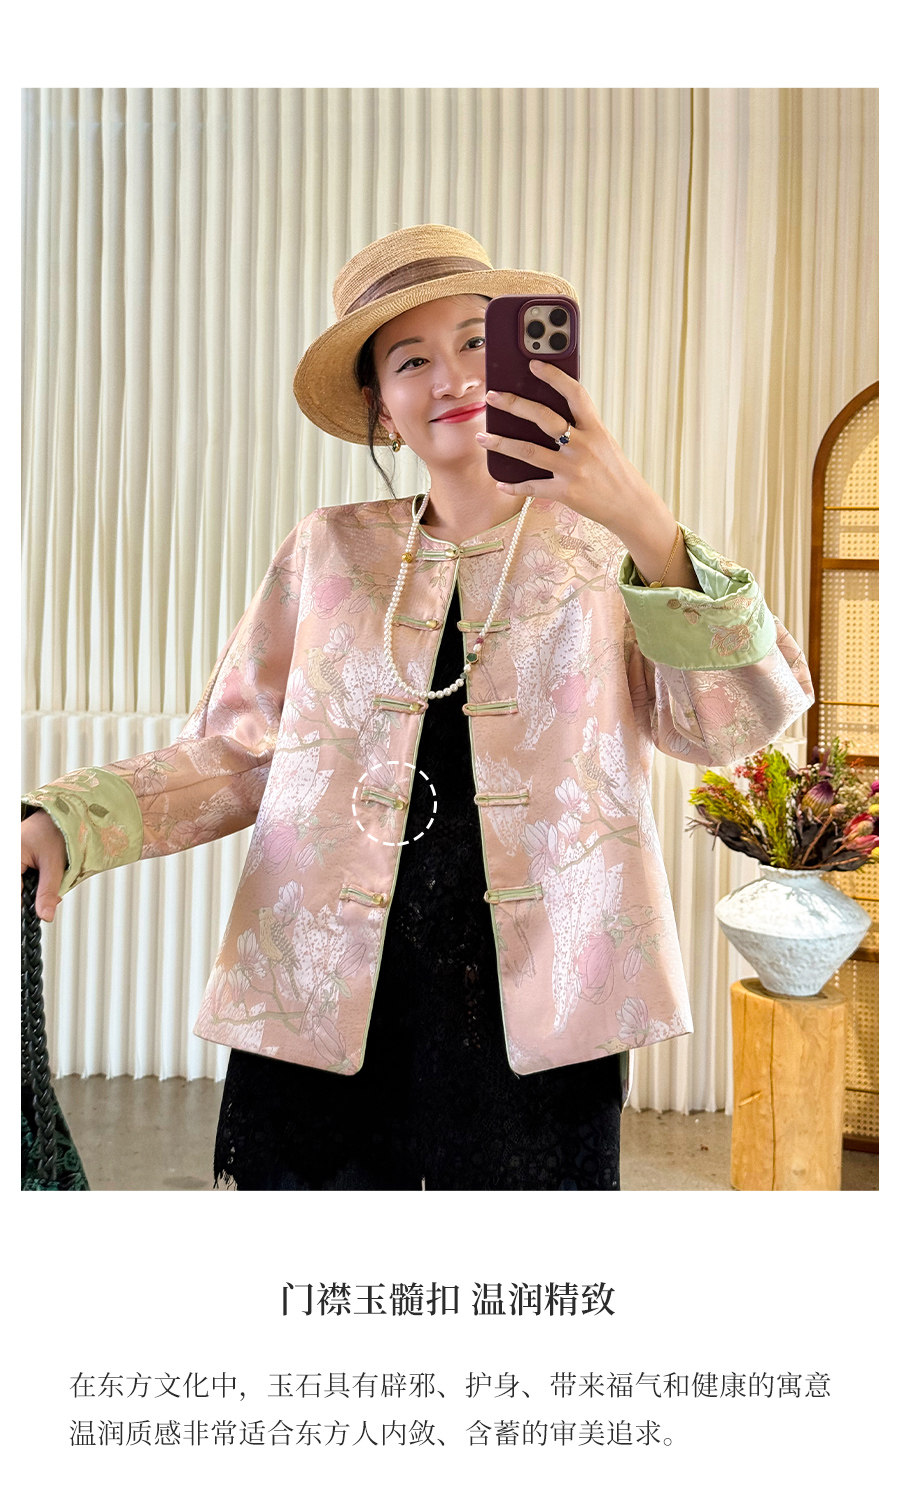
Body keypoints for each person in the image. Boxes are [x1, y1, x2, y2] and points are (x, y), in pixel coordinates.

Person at [21, 224, 814, 1191]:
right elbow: (236, 751)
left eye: (477, 341)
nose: (453, 377)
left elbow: (734, 720)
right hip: (322, 997)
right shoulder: (328, 550)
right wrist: (70, 819)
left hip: (545, 1008)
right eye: (411, 360)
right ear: (381, 409)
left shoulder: (607, 551)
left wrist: (643, 517)